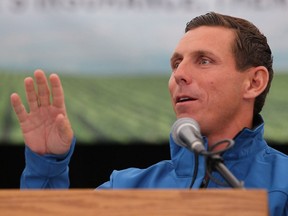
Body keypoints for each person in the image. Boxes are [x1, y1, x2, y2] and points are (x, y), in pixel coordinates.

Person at [10, 12, 288, 215]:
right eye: (176, 64)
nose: (179, 74)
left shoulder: (283, 182)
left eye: (204, 60)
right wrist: (46, 165)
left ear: (254, 82)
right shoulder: (127, 188)